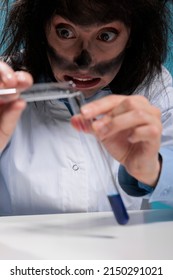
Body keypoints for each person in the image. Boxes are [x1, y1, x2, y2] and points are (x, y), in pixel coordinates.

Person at [0, 0, 173, 216]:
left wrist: (154, 169)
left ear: (131, 34)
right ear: (42, 29)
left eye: (106, 35)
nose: (84, 62)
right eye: (65, 32)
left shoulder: (154, 87)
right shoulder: (5, 85)